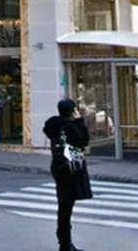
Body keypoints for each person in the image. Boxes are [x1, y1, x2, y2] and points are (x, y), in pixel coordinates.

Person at [43, 98, 92, 251]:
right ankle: (65, 244)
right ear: (72, 111)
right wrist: (79, 121)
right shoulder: (71, 127)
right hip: (71, 170)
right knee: (66, 208)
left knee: (63, 205)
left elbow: (49, 131)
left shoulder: (54, 125)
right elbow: (84, 140)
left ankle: (64, 242)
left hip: (59, 168)